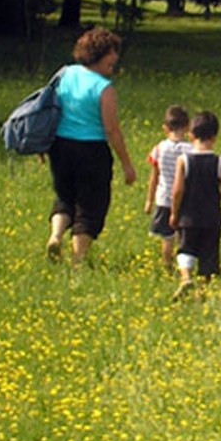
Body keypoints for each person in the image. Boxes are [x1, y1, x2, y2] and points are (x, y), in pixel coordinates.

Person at [44, 27, 138, 264]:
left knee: (65, 197)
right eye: (111, 53)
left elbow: (49, 110)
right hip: (91, 151)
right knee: (90, 205)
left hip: (59, 147)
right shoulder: (103, 88)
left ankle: (55, 235)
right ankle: (78, 260)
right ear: (99, 54)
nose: (115, 58)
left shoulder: (65, 74)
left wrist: (43, 144)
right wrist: (127, 164)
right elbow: (111, 130)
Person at [168, 111, 221, 300]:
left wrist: (174, 213)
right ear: (214, 137)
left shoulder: (183, 160)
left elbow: (177, 190)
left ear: (190, 135)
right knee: (209, 255)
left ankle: (186, 278)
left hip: (188, 217)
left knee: (185, 248)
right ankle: (202, 291)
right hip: (211, 218)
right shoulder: (219, 162)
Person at [143, 105, 192, 272]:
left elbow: (154, 176)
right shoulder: (191, 150)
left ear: (165, 128)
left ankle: (167, 266)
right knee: (184, 235)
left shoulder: (159, 148)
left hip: (164, 199)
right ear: (187, 127)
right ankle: (184, 267)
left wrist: (149, 200)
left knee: (167, 237)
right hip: (186, 199)